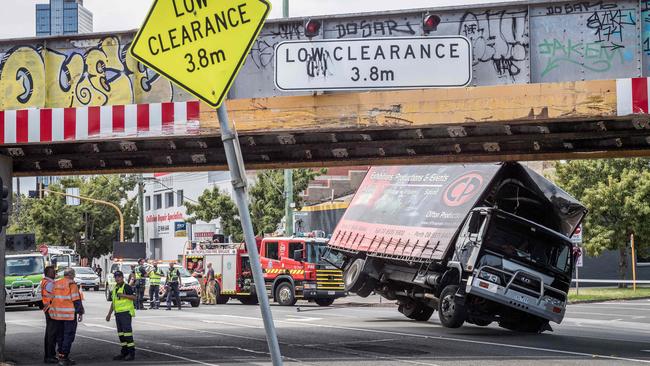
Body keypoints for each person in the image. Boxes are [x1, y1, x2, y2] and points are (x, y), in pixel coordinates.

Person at [50, 268, 84, 366]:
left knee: (60, 336)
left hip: (57, 315)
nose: (74, 276)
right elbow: (76, 300)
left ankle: (61, 355)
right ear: (71, 275)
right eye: (73, 274)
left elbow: (52, 298)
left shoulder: (56, 283)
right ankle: (64, 357)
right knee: (68, 336)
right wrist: (80, 312)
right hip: (69, 316)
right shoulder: (71, 284)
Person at [106, 270, 137, 361]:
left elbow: (134, 297)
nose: (117, 278)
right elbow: (114, 302)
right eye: (116, 277)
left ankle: (131, 353)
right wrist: (109, 314)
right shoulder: (115, 288)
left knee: (127, 334)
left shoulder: (126, 286)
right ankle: (124, 352)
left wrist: (123, 295)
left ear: (122, 277)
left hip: (126, 313)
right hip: (118, 314)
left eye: (119, 276)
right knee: (121, 334)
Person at [41, 265, 60, 364]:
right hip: (51, 309)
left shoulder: (46, 281)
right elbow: (57, 295)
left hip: (48, 309)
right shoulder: (49, 283)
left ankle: (49, 355)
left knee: (49, 334)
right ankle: (49, 356)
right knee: (51, 334)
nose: (54, 273)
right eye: (53, 272)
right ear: (48, 273)